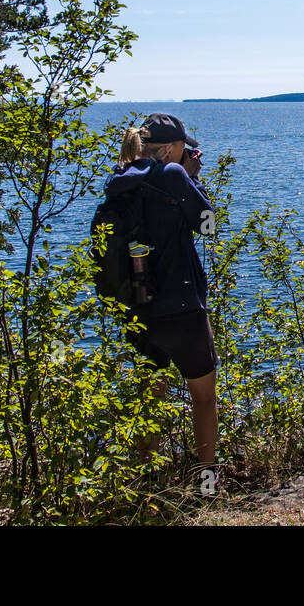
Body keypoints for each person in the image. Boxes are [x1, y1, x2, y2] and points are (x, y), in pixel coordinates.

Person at [105, 113, 218, 483]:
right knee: (202, 398)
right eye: (185, 148)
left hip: (137, 308)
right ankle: (206, 486)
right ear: (170, 149)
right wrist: (192, 178)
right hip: (182, 309)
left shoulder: (119, 181)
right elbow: (208, 225)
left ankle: (146, 487)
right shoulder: (173, 175)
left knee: (149, 401)